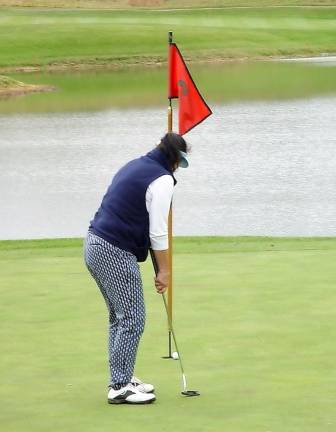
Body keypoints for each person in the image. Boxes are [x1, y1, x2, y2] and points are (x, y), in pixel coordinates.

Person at [83, 132, 189, 405]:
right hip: (114, 249)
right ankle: (119, 386)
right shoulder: (163, 179)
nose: (178, 168)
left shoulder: (136, 165)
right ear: (174, 159)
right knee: (132, 318)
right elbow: (158, 233)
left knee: (119, 317)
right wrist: (164, 271)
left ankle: (123, 377)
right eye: (179, 162)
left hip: (95, 243)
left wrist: (159, 267)